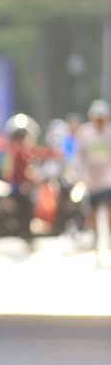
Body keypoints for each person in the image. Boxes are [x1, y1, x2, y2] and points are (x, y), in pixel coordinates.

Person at [76, 99, 111, 254]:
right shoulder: (85, 133)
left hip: (108, 179)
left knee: (109, 207)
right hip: (91, 180)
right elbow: (80, 156)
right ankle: (95, 237)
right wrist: (81, 175)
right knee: (92, 210)